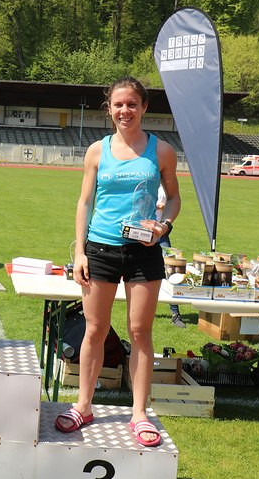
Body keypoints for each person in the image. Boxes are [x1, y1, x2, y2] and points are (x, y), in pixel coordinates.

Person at [58, 77, 180, 448]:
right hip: (101, 249)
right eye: (117, 105)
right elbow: (84, 203)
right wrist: (79, 251)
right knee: (95, 330)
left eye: (131, 104)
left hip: (144, 250)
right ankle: (84, 405)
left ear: (144, 108)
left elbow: (173, 198)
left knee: (140, 332)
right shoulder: (97, 151)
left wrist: (165, 224)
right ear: (109, 109)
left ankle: (139, 413)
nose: (124, 111)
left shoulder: (162, 151)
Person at [155, 184, 185, 328]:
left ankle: (175, 313)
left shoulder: (165, 183)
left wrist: (164, 210)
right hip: (141, 231)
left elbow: (174, 202)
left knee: (171, 271)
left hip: (161, 234)